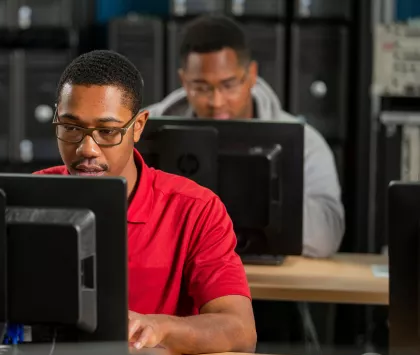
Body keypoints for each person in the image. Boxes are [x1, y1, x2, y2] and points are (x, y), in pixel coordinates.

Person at [34, 50, 256, 355]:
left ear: (138, 126)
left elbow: (240, 331)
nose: (87, 148)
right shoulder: (31, 197)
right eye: (71, 128)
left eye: (108, 131)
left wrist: (159, 327)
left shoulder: (195, 209)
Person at [147, 16, 345, 258]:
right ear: (184, 81)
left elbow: (328, 236)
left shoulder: (306, 143)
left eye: (228, 85)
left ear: (251, 75)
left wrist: (258, 194)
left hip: (266, 287)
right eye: (201, 87)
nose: (216, 101)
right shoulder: (140, 129)